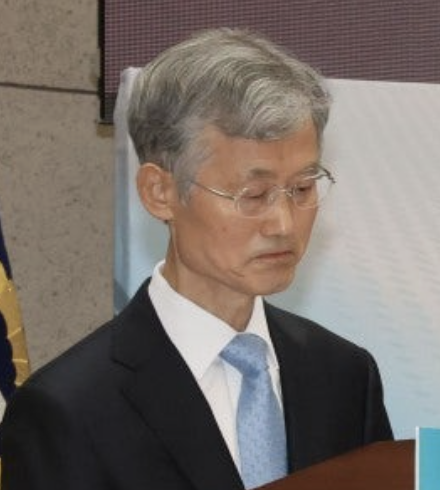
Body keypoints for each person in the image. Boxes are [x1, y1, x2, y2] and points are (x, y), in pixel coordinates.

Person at [1, 28, 393, 490]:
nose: (284, 223)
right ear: (160, 192)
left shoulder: (345, 376)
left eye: (303, 188)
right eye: (254, 194)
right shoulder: (67, 409)